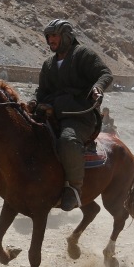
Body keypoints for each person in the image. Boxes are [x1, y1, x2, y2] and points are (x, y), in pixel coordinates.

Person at [32, 19, 113, 211]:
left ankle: (74, 189)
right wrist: (34, 101)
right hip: (52, 114)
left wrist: (98, 88)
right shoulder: (49, 64)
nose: (51, 39)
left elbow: (105, 73)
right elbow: (42, 91)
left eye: (55, 35)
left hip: (79, 115)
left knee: (67, 140)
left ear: (67, 36)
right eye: (49, 36)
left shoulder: (82, 54)